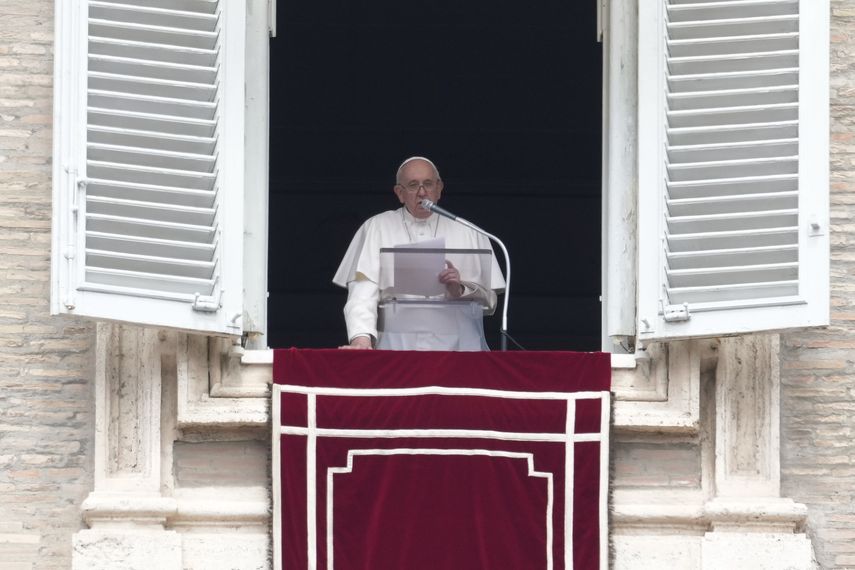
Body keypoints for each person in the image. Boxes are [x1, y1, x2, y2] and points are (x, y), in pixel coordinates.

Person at [333, 156, 505, 349]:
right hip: (397, 347)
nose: (422, 192)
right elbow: (362, 293)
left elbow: (490, 302)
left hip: (460, 348)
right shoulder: (377, 227)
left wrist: (460, 289)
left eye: (428, 184)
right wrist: (361, 339)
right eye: (413, 185)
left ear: (439, 188)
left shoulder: (471, 231)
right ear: (400, 193)